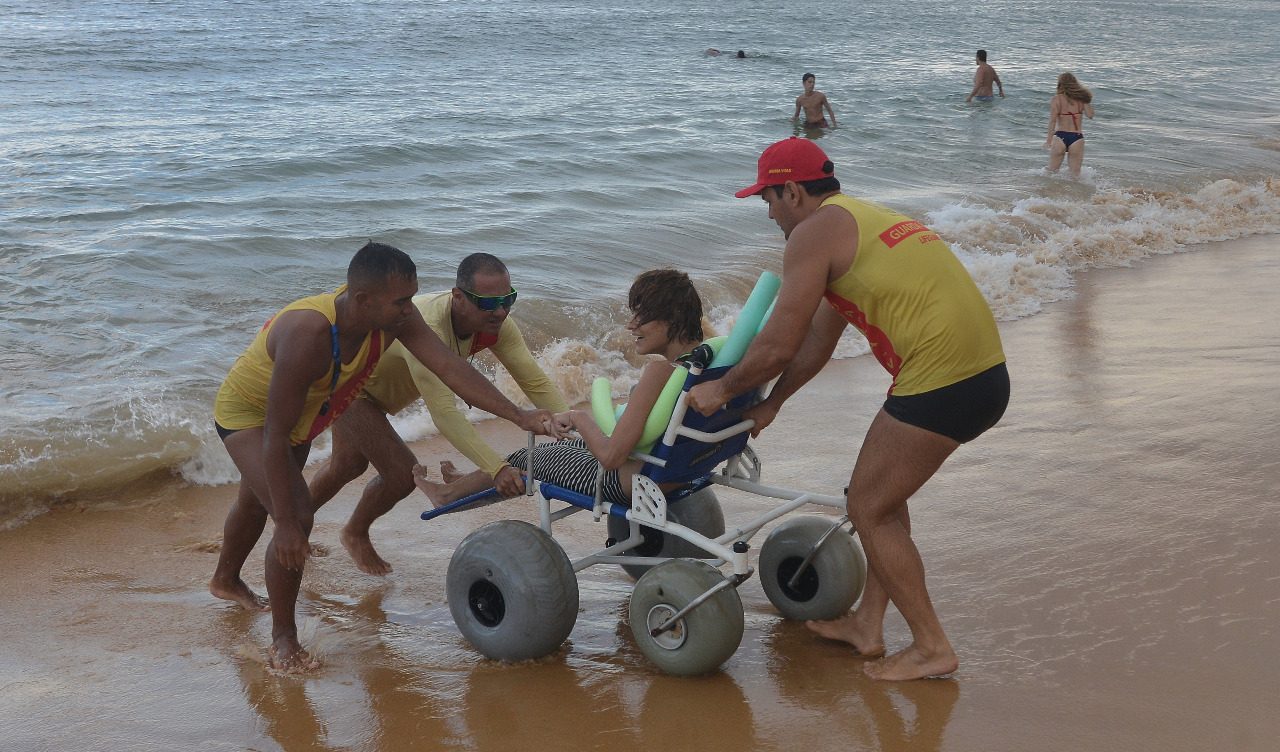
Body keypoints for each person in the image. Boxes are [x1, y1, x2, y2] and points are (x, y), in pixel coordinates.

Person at [686, 138, 1009, 681]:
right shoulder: (858, 219)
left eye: (768, 199)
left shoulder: (812, 234)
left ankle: (932, 646)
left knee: (867, 505)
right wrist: (773, 403)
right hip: (982, 374)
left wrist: (721, 390)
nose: (768, 214)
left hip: (944, 377)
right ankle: (868, 626)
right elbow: (817, 339)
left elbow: (777, 345)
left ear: (792, 190)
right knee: (884, 498)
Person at [207, 241, 561, 672]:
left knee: (255, 498)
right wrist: (284, 522)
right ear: (362, 300)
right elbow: (275, 436)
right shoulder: (308, 333)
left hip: (309, 411)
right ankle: (284, 640)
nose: (409, 308)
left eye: (411, 297)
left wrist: (520, 415)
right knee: (294, 513)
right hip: (251, 415)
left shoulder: (396, 318)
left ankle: (225, 579)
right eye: (401, 301)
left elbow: (451, 369)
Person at [307, 253, 569, 576]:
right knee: (401, 474)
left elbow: (533, 379)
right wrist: (495, 466)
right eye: (488, 303)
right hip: (353, 389)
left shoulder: (497, 323)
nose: (500, 311)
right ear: (458, 297)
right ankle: (352, 532)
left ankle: (295, 524)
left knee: (346, 464)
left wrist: (575, 427)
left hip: (376, 395)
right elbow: (444, 413)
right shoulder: (429, 326)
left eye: (507, 299)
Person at [414, 269, 708, 509]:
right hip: (677, 471)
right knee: (568, 446)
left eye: (640, 316)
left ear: (669, 320)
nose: (630, 326)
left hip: (624, 481)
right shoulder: (713, 367)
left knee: (526, 458)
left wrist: (579, 418)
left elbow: (610, 458)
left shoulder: (659, 373)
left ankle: (446, 495)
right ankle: (466, 480)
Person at [1045, 72, 1095, 178]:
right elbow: (1090, 115)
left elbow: (1052, 121)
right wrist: (1085, 99)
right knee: (1075, 175)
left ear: (1060, 84)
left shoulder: (1056, 99)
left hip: (1060, 137)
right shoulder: (1081, 99)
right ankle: (1074, 194)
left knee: (1051, 172)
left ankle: (1048, 193)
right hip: (1076, 138)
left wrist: (1049, 141)